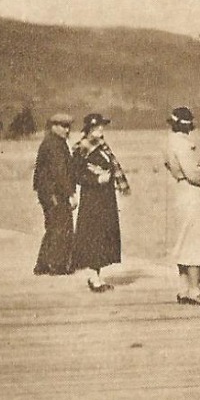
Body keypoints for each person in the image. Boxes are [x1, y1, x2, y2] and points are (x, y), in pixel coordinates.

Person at [163, 106, 200, 305]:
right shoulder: (183, 145)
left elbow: (173, 166)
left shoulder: (169, 142)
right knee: (195, 238)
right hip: (191, 192)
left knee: (183, 237)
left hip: (179, 190)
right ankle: (194, 289)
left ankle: (184, 288)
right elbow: (192, 172)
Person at [70, 112, 129, 292]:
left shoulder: (102, 146)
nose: (101, 129)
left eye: (101, 126)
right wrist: (96, 180)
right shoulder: (82, 148)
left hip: (105, 198)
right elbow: (76, 175)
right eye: (97, 127)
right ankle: (94, 278)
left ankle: (96, 276)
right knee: (94, 236)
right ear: (89, 130)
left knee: (102, 236)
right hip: (93, 199)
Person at [31, 112, 77, 275]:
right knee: (62, 227)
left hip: (47, 192)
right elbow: (60, 172)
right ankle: (57, 266)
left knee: (52, 227)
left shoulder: (52, 142)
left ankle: (42, 265)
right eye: (63, 126)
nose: (67, 130)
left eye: (68, 126)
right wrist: (71, 193)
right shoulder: (55, 145)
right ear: (54, 127)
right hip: (54, 193)